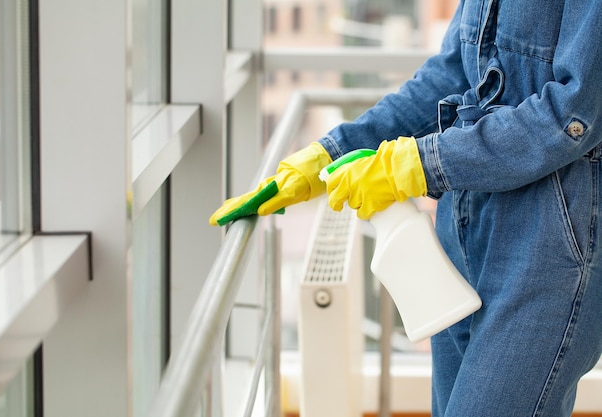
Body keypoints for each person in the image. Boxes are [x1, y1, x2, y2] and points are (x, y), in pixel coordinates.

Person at [210, 0, 602, 415]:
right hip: (465, 229)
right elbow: (451, 73)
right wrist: (331, 153)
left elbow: (573, 115)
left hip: (551, 245)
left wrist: (417, 164)